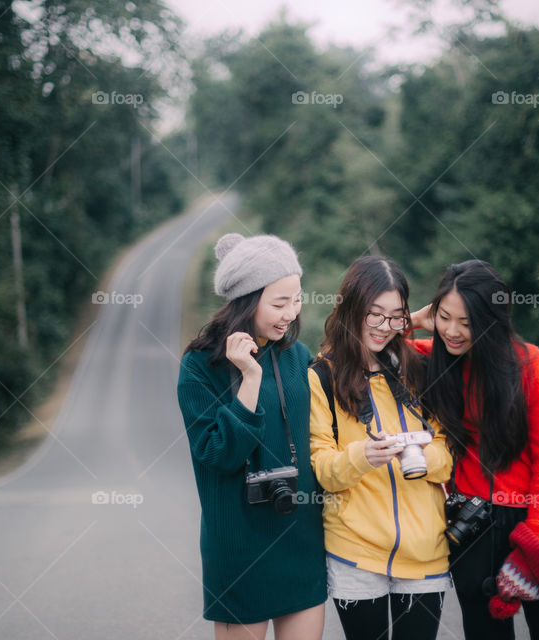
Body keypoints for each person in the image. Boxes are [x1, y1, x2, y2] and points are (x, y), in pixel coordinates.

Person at [410, 259, 539, 640]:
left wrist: (535, 540)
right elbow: (361, 343)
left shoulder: (530, 364)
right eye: (444, 317)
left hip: (533, 524)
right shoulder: (431, 358)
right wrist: (415, 319)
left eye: (467, 322)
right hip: (471, 527)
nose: (452, 332)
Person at [176, 233, 326, 640]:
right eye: (279, 303)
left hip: (300, 535)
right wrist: (250, 379)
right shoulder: (199, 367)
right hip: (238, 544)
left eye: (297, 300)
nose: (291, 314)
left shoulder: (297, 355)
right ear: (246, 300)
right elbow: (217, 454)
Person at [308, 255, 453, 640]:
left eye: (395, 317)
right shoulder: (322, 376)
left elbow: (448, 449)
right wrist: (363, 457)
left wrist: (420, 455)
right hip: (355, 553)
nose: (384, 327)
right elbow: (322, 467)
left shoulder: (419, 368)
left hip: (426, 551)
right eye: (374, 314)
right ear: (351, 308)